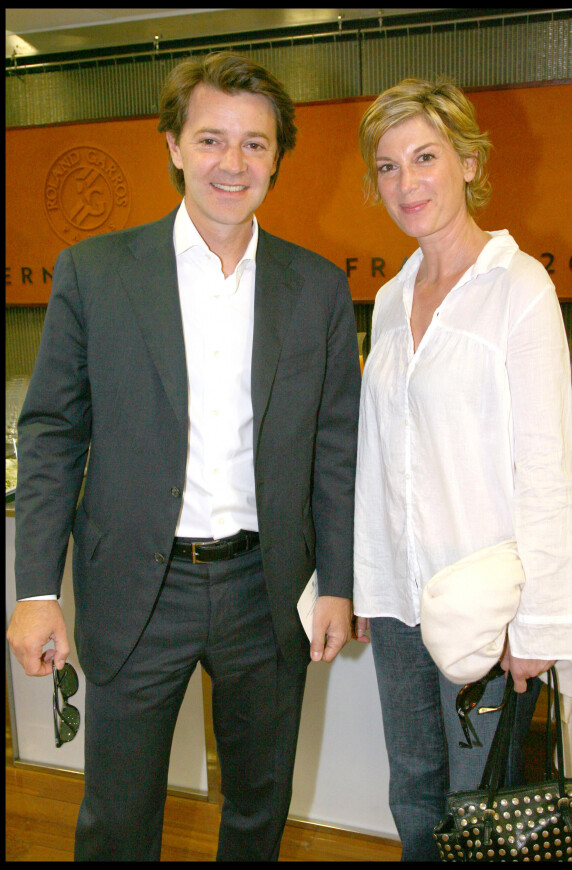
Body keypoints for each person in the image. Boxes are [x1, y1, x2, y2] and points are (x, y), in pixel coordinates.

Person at [6, 51, 361, 862]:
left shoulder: (315, 288)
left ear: (277, 158)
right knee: (118, 820)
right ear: (172, 145)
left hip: (267, 590)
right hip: (138, 584)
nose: (231, 164)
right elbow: (53, 430)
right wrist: (34, 590)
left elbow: (337, 448)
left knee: (257, 811)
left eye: (254, 144)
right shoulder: (95, 274)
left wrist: (337, 582)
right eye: (210, 139)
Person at [352, 77, 572, 861]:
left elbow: (547, 470)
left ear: (470, 162)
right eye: (386, 166)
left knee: (482, 810)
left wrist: (539, 626)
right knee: (413, 797)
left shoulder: (518, 288)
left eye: (424, 157)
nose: (405, 183)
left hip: (485, 608)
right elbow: (378, 460)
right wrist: (358, 584)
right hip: (398, 606)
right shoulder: (388, 299)